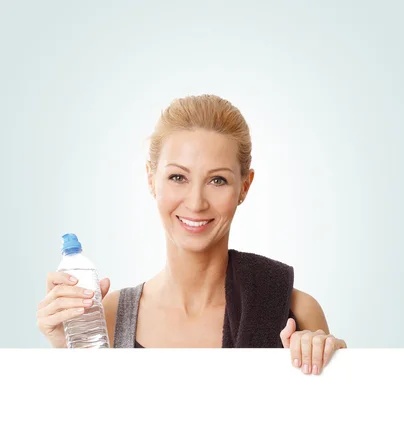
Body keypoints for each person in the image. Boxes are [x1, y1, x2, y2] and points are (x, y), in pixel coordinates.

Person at [37, 94, 347, 374]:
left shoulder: (296, 313)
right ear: (150, 179)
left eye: (218, 181)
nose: (196, 203)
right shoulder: (106, 318)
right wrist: (65, 351)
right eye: (177, 177)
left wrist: (335, 369)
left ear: (244, 186)